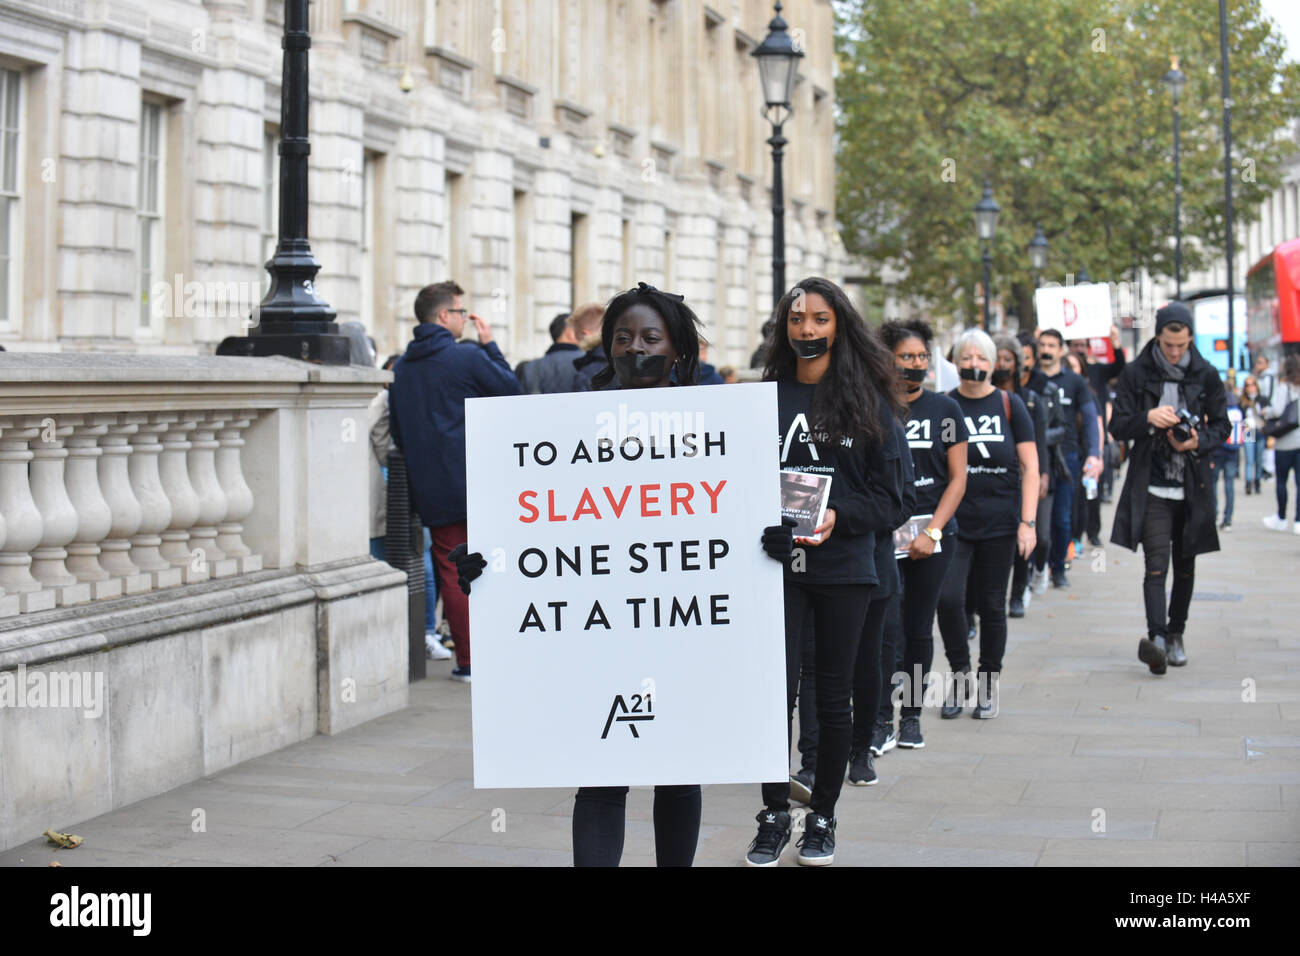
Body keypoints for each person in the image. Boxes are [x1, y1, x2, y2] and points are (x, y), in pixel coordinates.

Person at [452, 282, 794, 868]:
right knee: (602, 776)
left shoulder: (719, 424)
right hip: (599, 632)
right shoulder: (570, 421)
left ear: (678, 348)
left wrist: (771, 541)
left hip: (683, 627)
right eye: (623, 337)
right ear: (606, 347)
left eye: (651, 337)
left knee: (679, 771)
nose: (636, 348)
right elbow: (536, 527)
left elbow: (733, 517)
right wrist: (484, 563)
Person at [746, 276, 905, 867]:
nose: (807, 330)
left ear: (840, 325)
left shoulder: (870, 402)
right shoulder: (763, 398)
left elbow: (894, 500)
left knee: (833, 698)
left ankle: (823, 817)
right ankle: (772, 814)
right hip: (774, 569)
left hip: (844, 570)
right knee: (772, 695)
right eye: (796, 320)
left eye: (819, 319)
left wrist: (840, 514)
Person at [389, 281, 521, 682]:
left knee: (454, 571)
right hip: (480, 480)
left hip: (433, 486)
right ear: (444, 316)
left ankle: (468, 662)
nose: (466, 317)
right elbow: (510, 391)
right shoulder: (465, 357)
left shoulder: (402, 369)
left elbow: (397, 431)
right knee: (498, 566)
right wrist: (490, 346)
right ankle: (501, 652)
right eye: (461, 311)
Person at [1109, 302, 1229, 674]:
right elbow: (1118, 427)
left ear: (1191, 339)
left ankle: (1176, 633)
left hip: (1192, 484)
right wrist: (1148, 418)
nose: (1174, 352)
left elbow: (1222, 427)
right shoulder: (1135, 374)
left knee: (1186, 566)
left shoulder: (1207, 375)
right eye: (1167, 344)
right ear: (1157, 337)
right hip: (1151, 485)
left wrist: (1196, 441)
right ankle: (1157, 638)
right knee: (1155, 565)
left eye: (1181, 345)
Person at [871, 319, 967, 754]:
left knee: (918, 628)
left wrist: (932, 530)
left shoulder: (945, 410)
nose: (915, 364)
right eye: (906, 357)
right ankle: (879, 719)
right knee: (885, 628)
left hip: (933, 535)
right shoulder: (873, 408)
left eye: (922, 357)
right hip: (883, 535)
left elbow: (958, 478)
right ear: (887, 360)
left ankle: (910, 718)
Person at [935, 329, 1038, 719]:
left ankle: (988, 684)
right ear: (956, 362)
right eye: (967, 357)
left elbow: (1030, 468)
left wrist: (1027, 522)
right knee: (948, 600)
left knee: (993, 603)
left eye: (981, 358)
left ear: (993, 365)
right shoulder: (944, 406)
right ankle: (960, 677)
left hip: (1000, 522)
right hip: (953, 523)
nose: (973, 364)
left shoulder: (1010, 405)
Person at [1037, 329, 1101, 588]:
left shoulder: (1074, 381)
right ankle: (1035, 566)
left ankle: (1059, 567)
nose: (1046, 349)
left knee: (1062, 518)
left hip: (1067, 458)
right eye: (1042, 344)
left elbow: (1089, 419)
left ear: (1061, 349)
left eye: (1052, 345)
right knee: (1037, 519)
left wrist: (1095, 454)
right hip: (1037, 459)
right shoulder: (1031, 380)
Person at [995, 336, 1050, 618]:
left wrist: (1041, 474)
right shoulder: (986, 398)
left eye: (1008, 359)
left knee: (1028, 536)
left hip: (1022, 479)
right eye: (998, 359)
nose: (1002, 365)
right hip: (993, 482)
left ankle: (1018, 591)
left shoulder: (1028, 400)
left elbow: (1038, 441)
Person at [1262, 353, 1300, 533]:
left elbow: (1276, 410)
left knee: (1282, 481)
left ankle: (1282, 517)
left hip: (1285, 442)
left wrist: (1265, 412)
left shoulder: (1284, 386)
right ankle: (1299, 521)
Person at [518, 312, 583, 394]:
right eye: (579, 328)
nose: (584, 332)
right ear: (569, 331)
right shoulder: (587, 361)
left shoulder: (532, 367)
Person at [1212, 381, 1243, 531]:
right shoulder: (1238, 407)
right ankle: (1228, 518)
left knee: (1213, 484)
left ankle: (1213, 515)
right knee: (1229, 485)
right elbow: (1248, 431)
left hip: (1217, 451)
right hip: (1233, 451)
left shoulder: (1217, 406)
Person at [569, 303, 611, 390]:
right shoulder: (622, 360)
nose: (577, 341)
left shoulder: (586, 374)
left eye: (577, 337)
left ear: (585, 334)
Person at [1240, 374, 1269, 494]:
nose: (1250, 387)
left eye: (1252, 384)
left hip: (1260, 429)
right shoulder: (1243, 402)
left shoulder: (1262, 399)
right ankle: (1248, 482)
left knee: (1259, 458)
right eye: (1247, 385)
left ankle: (1257, 480)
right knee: (1249, 458)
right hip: (1248, 429)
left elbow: (1269, 414)